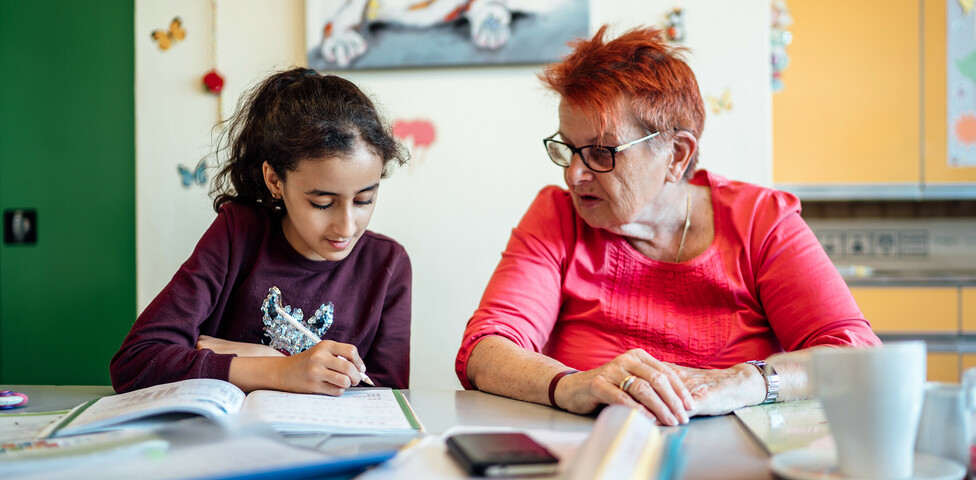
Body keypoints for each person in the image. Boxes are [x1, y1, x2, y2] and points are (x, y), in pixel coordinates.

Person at [455, 26, 881, 426]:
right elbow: (485, 349)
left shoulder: (759, 221)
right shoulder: (558, 216)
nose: (575, 175)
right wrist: (572, 384)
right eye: (569, 149)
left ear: (676, 154)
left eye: (602, 152)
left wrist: (742, 382)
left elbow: (857, 355)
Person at [111, 68, 411, 395]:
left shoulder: (388, 264)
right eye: (322, 203)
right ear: (274, 181)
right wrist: (278, 368)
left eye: (365, 199)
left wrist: (243, 353)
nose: (347, 226)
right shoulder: (238, 234)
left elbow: (388, 402)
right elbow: (136, 362)